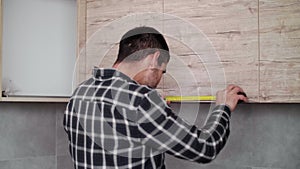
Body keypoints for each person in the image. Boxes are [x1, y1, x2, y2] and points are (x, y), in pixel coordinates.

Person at [63, 26, 248, 169]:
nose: (160, 79)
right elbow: (205, 148)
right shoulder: (141, 101)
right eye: (163, 71)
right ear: (154, 58)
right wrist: (222, 107)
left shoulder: (80, 92)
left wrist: (154, 114)